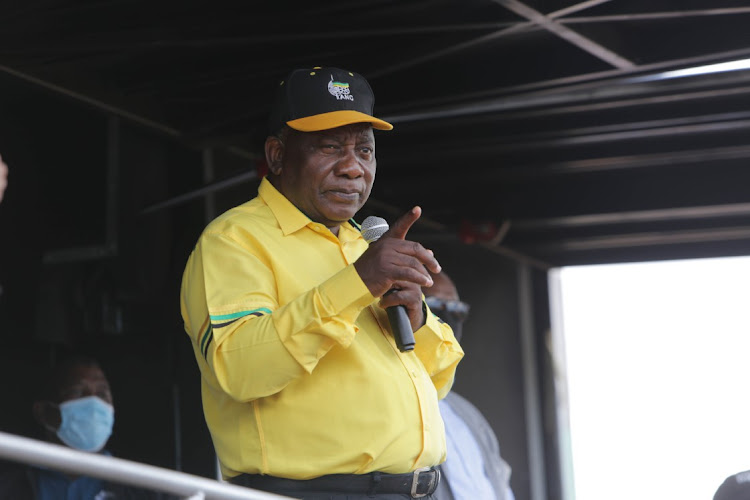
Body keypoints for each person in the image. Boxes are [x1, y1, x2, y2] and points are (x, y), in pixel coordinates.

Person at [180, 66, 464, 499]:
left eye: (364, 151)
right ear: (277, 155)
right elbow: (238, 369)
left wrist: (417, 319)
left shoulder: (361, 244)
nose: (352, 168)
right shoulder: (235, 239)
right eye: (330, 147)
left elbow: (437, 384)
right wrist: (357, 283)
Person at [0, 355, 169, 499]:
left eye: (102, 394)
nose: (94, 404)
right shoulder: (9, 487)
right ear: (43, 412)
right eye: (78, 392)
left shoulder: (144, 488)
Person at [423, 271, 515, 500]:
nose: (448, 318)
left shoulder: (465, 412)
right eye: (434, 305)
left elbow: (498, 481)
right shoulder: (390, 405)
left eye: (457, 310)